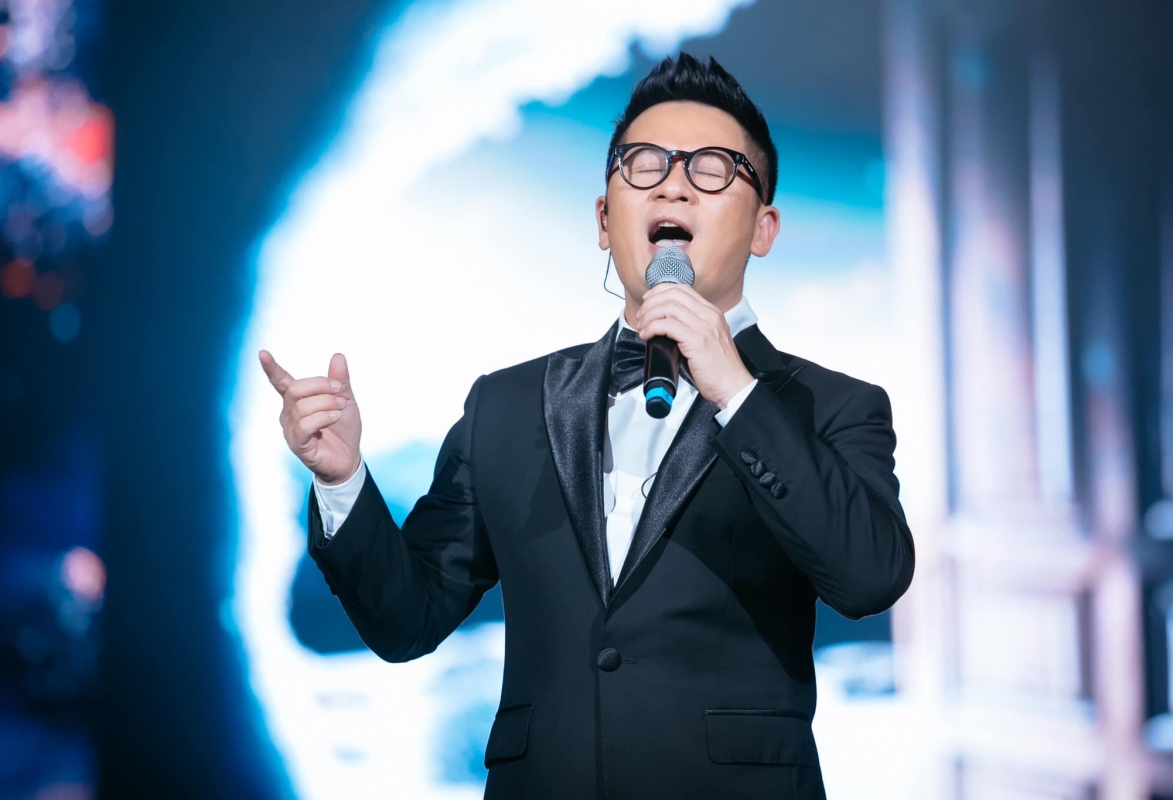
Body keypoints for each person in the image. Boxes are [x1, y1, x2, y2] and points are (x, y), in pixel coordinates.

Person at [260, 53, 914, 800]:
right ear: (605, 219)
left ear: (763, 228)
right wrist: (343, 479)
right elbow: (406, 620)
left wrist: (735, 389)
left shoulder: (833, 406)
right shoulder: (505, 406)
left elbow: (870, 576)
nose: (672, 184)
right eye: (645, 164)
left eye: (711, 169)